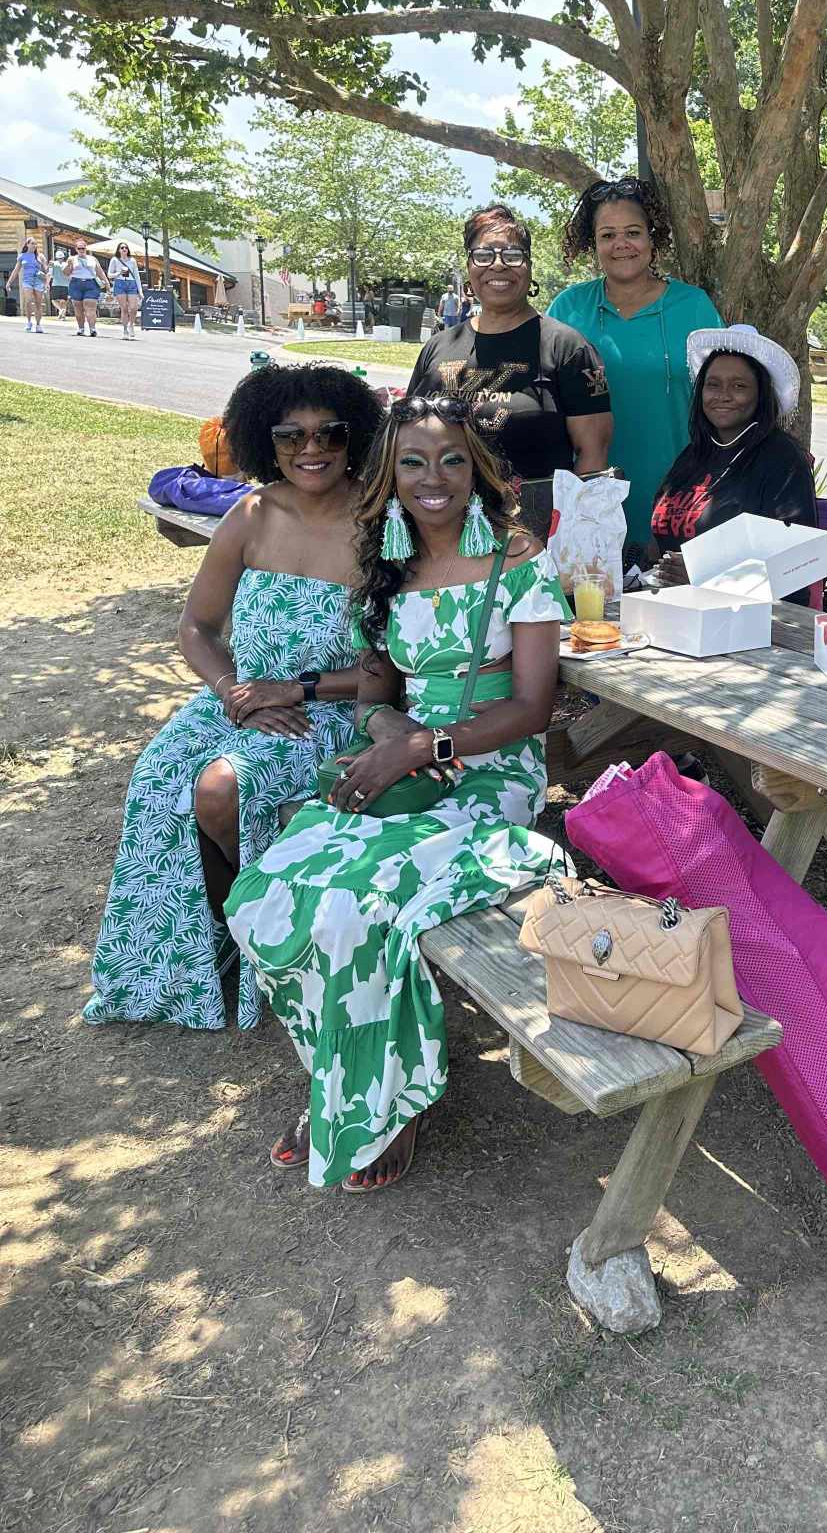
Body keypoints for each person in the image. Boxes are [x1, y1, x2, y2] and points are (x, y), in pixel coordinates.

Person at [226, 395, 570, 1191]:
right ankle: (344, 1083)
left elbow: (532, 707)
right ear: (389, 473)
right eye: (412, 462)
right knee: (269, 893)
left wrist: (427, 743)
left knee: (360, 909)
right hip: (403, 772)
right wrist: (391, 733)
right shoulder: (387, 563)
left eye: (452, 460)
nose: (432, 478)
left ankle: (392, 1104)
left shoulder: (517, 557)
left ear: (477, 469)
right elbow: (375, 695)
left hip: (492, 776)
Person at [84, 364, 383, 1033]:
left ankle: (259, 937)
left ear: (355, 438)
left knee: (222, 789)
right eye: (290, 435)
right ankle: (203, 943)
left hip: (331, 712)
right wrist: (232, 692)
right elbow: (195, 627)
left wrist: (296, 689)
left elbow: (393, 663)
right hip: (240, 699)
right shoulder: (250, 514)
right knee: (156, 778)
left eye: (330, 433)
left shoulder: (380, 523)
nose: (311, 449)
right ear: (263, 441)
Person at [547, 175, 723, 556]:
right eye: (607, 235)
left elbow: (726, 405)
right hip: (586, 505)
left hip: (679, 501)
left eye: (633, 232)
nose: (621, 244)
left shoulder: (694, 307)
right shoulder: (568, 309)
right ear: (593, 243)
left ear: (652, 237)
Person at [407, 204, 612, 504]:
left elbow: (592, 456)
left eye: (513, 255)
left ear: (529, 267)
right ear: (469, 266)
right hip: (441, 520)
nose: (498, 265)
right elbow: (407, 441)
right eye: (483, 255)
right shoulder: (437, 348)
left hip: (532, 525)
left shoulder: (567, 348)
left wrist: (570, 526)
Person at [649, 325, 818, 595]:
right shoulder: (692, 456)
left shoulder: (782, 460)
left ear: (761, 394)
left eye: (739, 386)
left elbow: (798, 566)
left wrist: (707, 576)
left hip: (746, 618)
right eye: (713, 385)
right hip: (670, 608)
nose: (723, 396)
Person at [6, 237, 48, 332]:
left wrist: (47, 279)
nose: (34, 245)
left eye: (35, 244)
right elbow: (16, 270)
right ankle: (29, 322)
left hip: (38, 281)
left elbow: (46, 270)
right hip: (27, 281)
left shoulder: (40, 256)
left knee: (38, 303)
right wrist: (9, 282)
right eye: (32, 243)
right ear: (27, 244)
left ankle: (38, 325)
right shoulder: (22, 256)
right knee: (28, 301)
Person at [67, 244, 108, 336]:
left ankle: (92, 329)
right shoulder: (72, 259)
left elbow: (100, 272)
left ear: (86, 248)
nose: (81, 250)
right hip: (76, 283)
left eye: (83, 248)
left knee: (90, 307)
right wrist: (68, 265)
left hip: (91, 283)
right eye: (79, 248)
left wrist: (107, 284)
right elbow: (66, 273)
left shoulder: (92, 259)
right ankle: (81, 328)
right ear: (76, 249)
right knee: (78, 308)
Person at [108, 242, 143, 339]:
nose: (124, 249)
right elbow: (109, 275)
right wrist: (119, 273)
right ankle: (125, 330)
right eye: (122, 248)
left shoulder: (132, 260)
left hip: (131, 283)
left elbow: (137, 276)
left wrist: (140, 291)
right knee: (124, 308)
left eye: (126, 248)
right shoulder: (115, 260)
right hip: (120, 283)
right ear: (118, 250)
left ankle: (131, 324)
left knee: (134, 308)